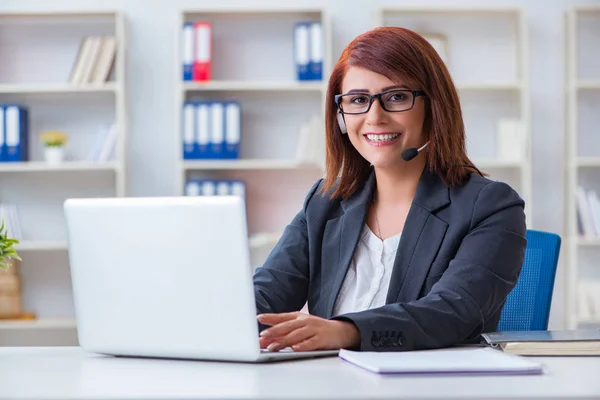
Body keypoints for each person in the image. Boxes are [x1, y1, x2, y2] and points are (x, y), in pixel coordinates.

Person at [253, 26, 527, 353]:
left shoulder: (490, 206)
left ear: (433, 105)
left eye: (396, 97)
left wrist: (345, 332)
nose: (374, 117)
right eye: (357, 100)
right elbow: (266, 296)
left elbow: (453, 311)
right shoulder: (326, 201)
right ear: (340, 115)